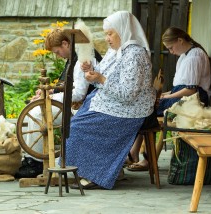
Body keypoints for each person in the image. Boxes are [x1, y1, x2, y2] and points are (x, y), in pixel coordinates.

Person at [66, 11, 156, 190]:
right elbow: (106, 75)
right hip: (113, 103)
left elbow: (127, 94)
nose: (107, 38)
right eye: (105, 34)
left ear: (123, 31)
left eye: (110, 33)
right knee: (75, 123)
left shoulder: (134, 55)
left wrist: (100, 79)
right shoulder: (117, 51)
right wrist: (92, 70)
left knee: (79, 128)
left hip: (130, 109)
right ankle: (102, 170)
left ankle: (97, 175)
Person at [15, 27, 102, 178]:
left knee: (37, 113)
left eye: (57, 51)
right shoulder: (73, 57)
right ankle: (31, 159)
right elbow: (67, 86)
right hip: (72, 105)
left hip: (82, 109)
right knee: (31, 112)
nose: (58, 55)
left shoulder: (83, 58)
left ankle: (37, 163)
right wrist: (49, 92)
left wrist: (49, 98)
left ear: (65, 44)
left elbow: (78, 94)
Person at [126, 26, 211, 171]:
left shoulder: (195, 56)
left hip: (194, 100)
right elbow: (180, 86)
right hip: (184, 96)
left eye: (171, 48)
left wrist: (168, 96)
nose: (171, 52)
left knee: (146, 110)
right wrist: (166, 94)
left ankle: (143, 157)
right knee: (144, 108)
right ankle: (137, 154)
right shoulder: (184, 56)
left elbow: (191, 89)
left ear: (180, 40)